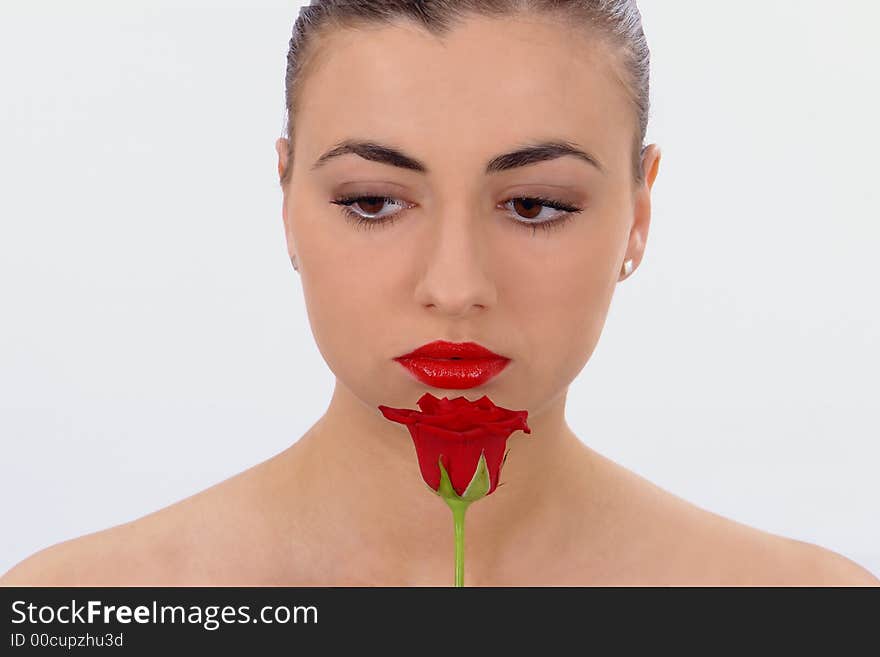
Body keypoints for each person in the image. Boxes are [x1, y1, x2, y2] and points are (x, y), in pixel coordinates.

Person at [2, 0, 877, 587]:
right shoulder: (83, 606)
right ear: (286, 196)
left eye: (535, 205)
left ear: (639, 213)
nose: (455, 288)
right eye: (373, 202)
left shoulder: (816, 608)